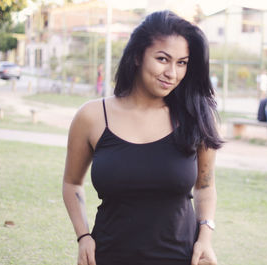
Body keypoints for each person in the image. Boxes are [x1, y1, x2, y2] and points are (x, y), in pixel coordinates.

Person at [62, 11, 223, 265]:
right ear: (137, 56)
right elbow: (72, 183)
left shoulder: (196, 116)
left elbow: (205, 186)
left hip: (180, 258)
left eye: (182, 63)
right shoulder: (92, 116)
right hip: (108, 257)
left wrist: (205, 238)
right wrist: (83, 236)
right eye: (162, 59)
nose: (172, 73)